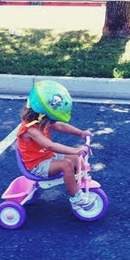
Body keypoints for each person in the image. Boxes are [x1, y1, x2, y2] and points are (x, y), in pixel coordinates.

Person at [17, 80, 97, 209]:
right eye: (51, 121)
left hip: (48, 156)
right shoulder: (31, 130)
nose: (52, 123)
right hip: (37, 165)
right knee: (66, 165)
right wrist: (76, 150)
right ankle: (76, 198)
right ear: (42, 116)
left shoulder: (39, 120)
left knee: (77, 160)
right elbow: (51, 146)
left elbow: (60, 126)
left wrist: (81, 133)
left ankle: (77, 184)